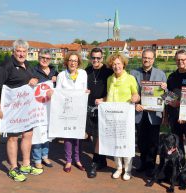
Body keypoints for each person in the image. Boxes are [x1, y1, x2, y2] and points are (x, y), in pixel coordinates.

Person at [0, 39, 43, 182]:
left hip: (27, 109)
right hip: (12, 111)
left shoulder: (28, 64)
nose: (21, 54)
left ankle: (25, 165)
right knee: (13, 137)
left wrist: (35, 79)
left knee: (28, 134)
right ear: (13, 51)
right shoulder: (6, 65)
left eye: (24, 51)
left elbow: (33, 77)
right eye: (18, 51)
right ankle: (13, 168)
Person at [130, 49, 167, 177]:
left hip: (154, 113)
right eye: (145, 57)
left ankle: (151, 165)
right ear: (142, 58)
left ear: (153, 59)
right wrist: (135, 105)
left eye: (150, 58)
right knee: (141, 140)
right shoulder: (133, 73)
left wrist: (165, 89)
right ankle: (142, 163)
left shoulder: (161, 74)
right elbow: (130, 92)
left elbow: (165, 96)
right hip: (139, 112)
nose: (147, 60)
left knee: (153, 141)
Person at [165, 49, 186, 184]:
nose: (181, 62)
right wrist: (170, 103)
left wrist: (180, 105)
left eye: (183, 59)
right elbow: (168, 94)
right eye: (178, 60)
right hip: (174, 117)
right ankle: (180, 173)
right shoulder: (171, 77)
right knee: (177, 148)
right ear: (175, 61)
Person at [106, 53, 140, 181]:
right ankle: (119, 167)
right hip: (112, 117)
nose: (116, 66)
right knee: (115, 143)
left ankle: (128, 169)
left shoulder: (130, 78)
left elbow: (136, 95)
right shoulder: (109, 79)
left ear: (123, 64)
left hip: (126, 117)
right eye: (114, 64)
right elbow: (107, 96)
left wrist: (135, 98)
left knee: (126, 144)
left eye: (118, 63)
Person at [56, 52, 87, 173]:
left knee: (78, 135)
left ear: (78, 62)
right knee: (68, 136)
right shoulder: (61, 75)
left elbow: (85, 89)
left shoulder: (83, 74)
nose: (73, 62)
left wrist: (86, 92)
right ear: (67, 62)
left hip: (79, 109)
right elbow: (58, 93)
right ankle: (68, 160)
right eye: (70, 60)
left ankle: (77, 159)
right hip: (66, 109)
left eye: (75, 60)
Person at [85, 48, 113, 178]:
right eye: (93, 58)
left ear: (102, 58)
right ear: (90, 58)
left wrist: (104, 100)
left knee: (98, 136)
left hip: (103, 108)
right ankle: (102, 160)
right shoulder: (87, 71)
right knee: (88, 135)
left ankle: (95, 162)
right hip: (88, 108)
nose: (95, 60)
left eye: (98, 58)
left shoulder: (108, 71)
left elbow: (113, 90)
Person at [31, 49, 58, 169]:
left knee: (47, 132)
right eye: (42, 57)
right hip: (37, 108)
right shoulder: (32, 71)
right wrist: (30, 81)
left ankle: (45, 156)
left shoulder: (54, 71)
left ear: (50, 59)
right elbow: (27, 86)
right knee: (37, 133)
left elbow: (59, 88)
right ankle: (37, 158)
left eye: (47, 58)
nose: (45, 60)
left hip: (49, 108)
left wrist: (56, 79)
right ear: (38, 58)